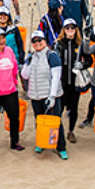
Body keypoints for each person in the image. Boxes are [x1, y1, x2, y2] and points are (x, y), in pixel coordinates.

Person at [21, 31, 68, 160]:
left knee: (55, 121)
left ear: (45, 41)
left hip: (49, 95)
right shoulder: (33, 57)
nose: (37, 43)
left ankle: (61, 147)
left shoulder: (51, 55)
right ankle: (42, 142)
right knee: (40, 121)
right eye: (34, 41)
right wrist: (27, 62)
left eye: (39, 40)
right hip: (36, 95)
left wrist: (52, 96)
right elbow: (25, 75)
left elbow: (56, 77)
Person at [55, 19, 92, 143]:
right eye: (67, 28)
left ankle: (71, 130)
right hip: (62, 82)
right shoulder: (59, 44)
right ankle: (57, 130)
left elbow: (89, 60)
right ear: (64, 30)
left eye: (72, 28)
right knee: (59, 108)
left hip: (75, 82)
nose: (70, 30)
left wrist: (82, 64)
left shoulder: (80, 45)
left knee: (73, 108)